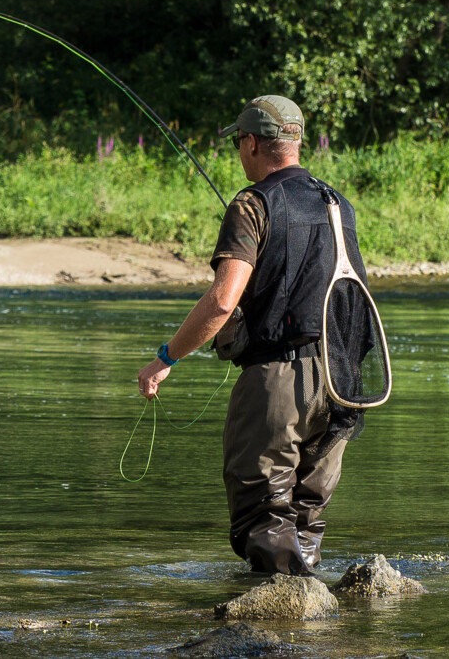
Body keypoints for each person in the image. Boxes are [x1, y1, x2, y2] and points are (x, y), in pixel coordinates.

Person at [134, 95, 366, 577]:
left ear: (253, 142)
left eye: (240, 142)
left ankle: (277, 637)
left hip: (280, 380)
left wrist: (166, 358)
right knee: (305, 516)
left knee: (263, 516)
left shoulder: (252, 203)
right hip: (344, 381)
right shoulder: (337, 203)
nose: (239, 152)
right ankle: (311, 628)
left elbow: (222, 300)